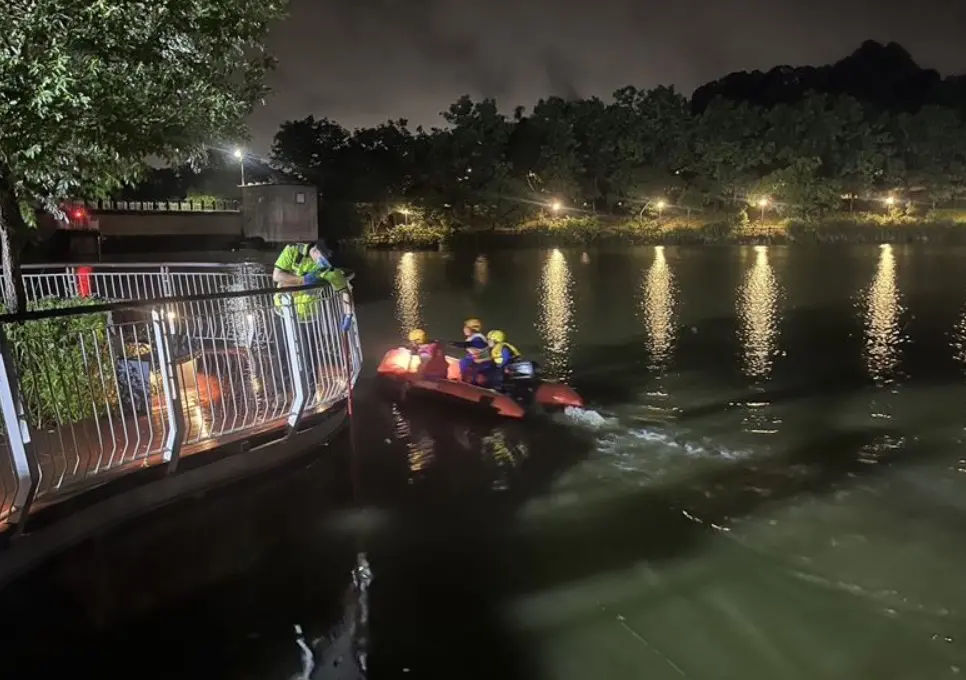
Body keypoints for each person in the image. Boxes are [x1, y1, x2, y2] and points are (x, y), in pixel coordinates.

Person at [453, 318, 489, 383]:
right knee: (464, 360)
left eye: (466, 328)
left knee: (464, 362)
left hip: (482, 363)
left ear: (472, 329)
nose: (464, 329)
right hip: (479, 361)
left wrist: (458, 344)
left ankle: (463, 380)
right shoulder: (476, 337)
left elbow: (475, 352)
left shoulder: (478, 339)